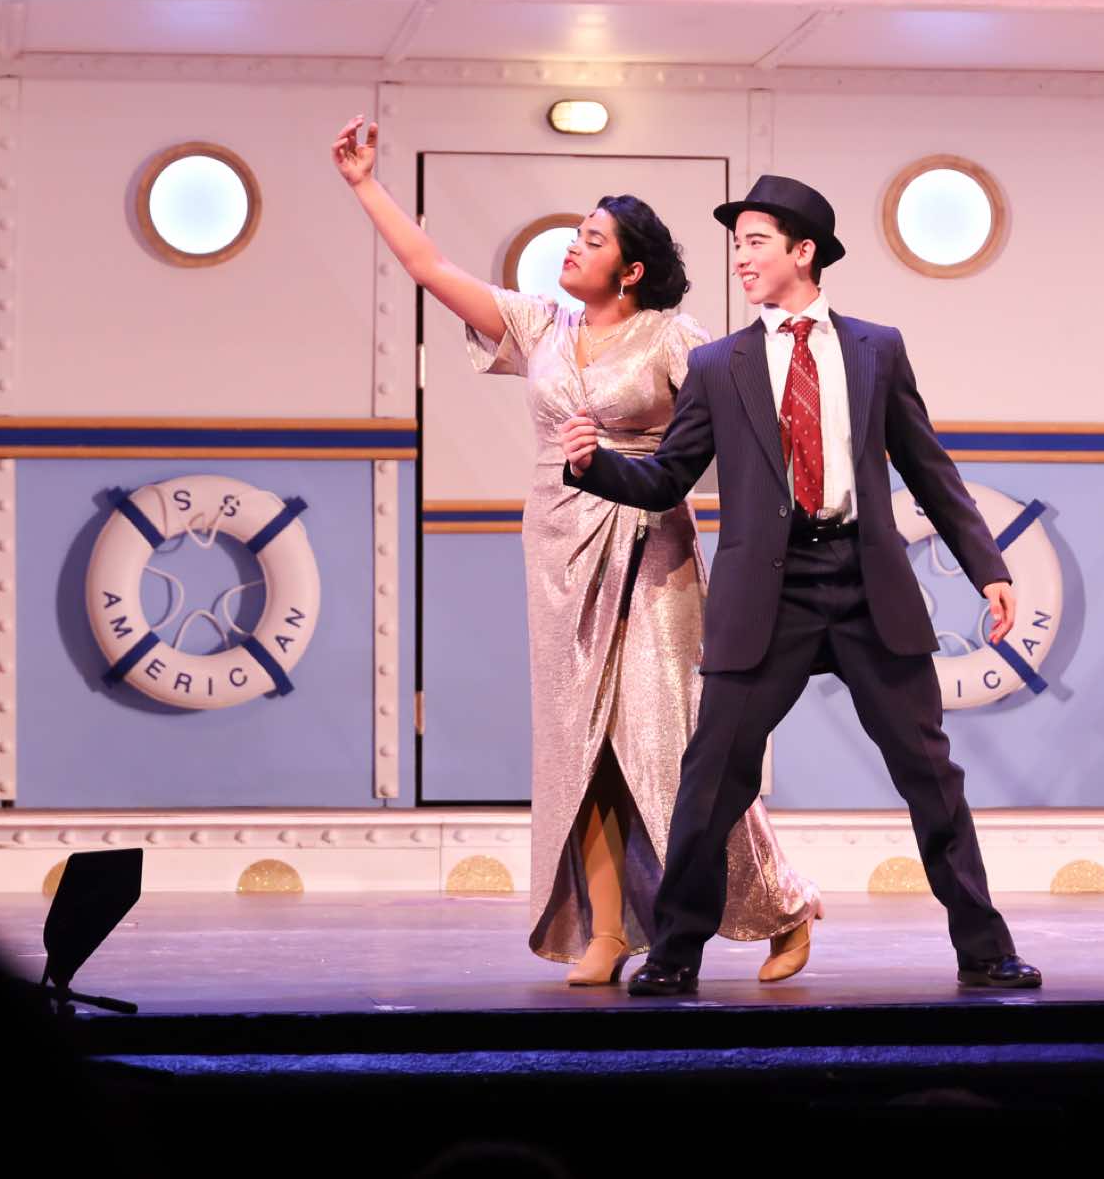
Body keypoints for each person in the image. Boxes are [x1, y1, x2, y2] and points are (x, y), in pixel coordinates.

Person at [332, 118, 818, 986]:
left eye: (593, 239)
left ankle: (780, 903)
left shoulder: (673, 336)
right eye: (576, 233)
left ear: (630, 269)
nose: (573, 245)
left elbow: (733, 437)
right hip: (558, 547)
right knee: (575, 744)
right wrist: (366, 183)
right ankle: (606, 925)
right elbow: (430, 269)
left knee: (674, 745)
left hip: (651, 551)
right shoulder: (540, 325)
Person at [557, 174, 1042, 995]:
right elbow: (669, 476)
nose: (741, 258)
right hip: (768, 593)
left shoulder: (876, 348)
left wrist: (988, 568)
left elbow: (929, 469)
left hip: (865, 581)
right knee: (713, 776)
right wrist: (593, 466)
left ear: (804, 251)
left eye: (756, 242)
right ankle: (675, 954)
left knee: (929, 774)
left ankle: (985, 948)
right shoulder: (719, 364)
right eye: (737, 244)